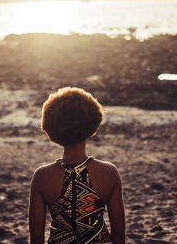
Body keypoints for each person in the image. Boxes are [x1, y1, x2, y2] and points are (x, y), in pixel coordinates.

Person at [29, 87, 125, 244]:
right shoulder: (109, 173)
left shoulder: (42, 176)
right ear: (92, 123)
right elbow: (119, 235)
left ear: (51, 127)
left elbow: (36, 238)